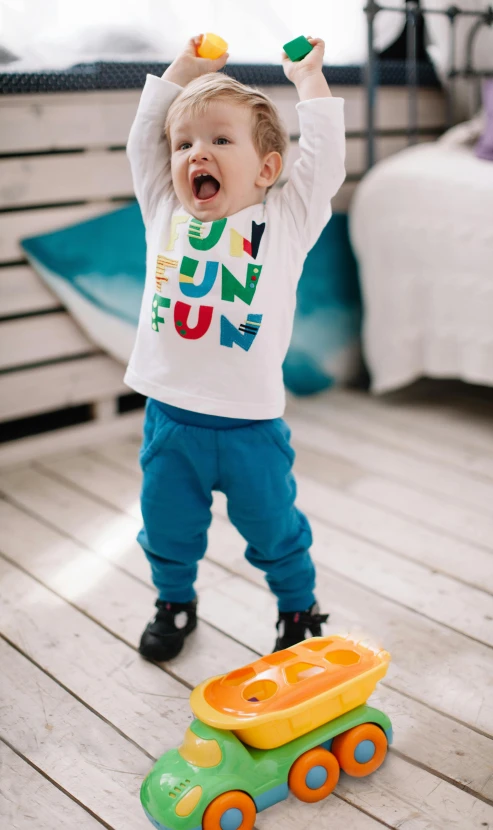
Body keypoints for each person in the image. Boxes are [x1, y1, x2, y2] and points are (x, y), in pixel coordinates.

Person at [125, 33, 346, 661]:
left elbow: (326, 160)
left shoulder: (286, 222)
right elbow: (145, 138)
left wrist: (307, 81)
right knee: (166, 529)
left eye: (221, 140)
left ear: (267, 169)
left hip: (250, 425)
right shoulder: (164, 210)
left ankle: (297, 609)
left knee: (275, 530)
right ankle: (174, 600)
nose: (199, 153)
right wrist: (183, 70)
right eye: (186, 143)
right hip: (171, 421)